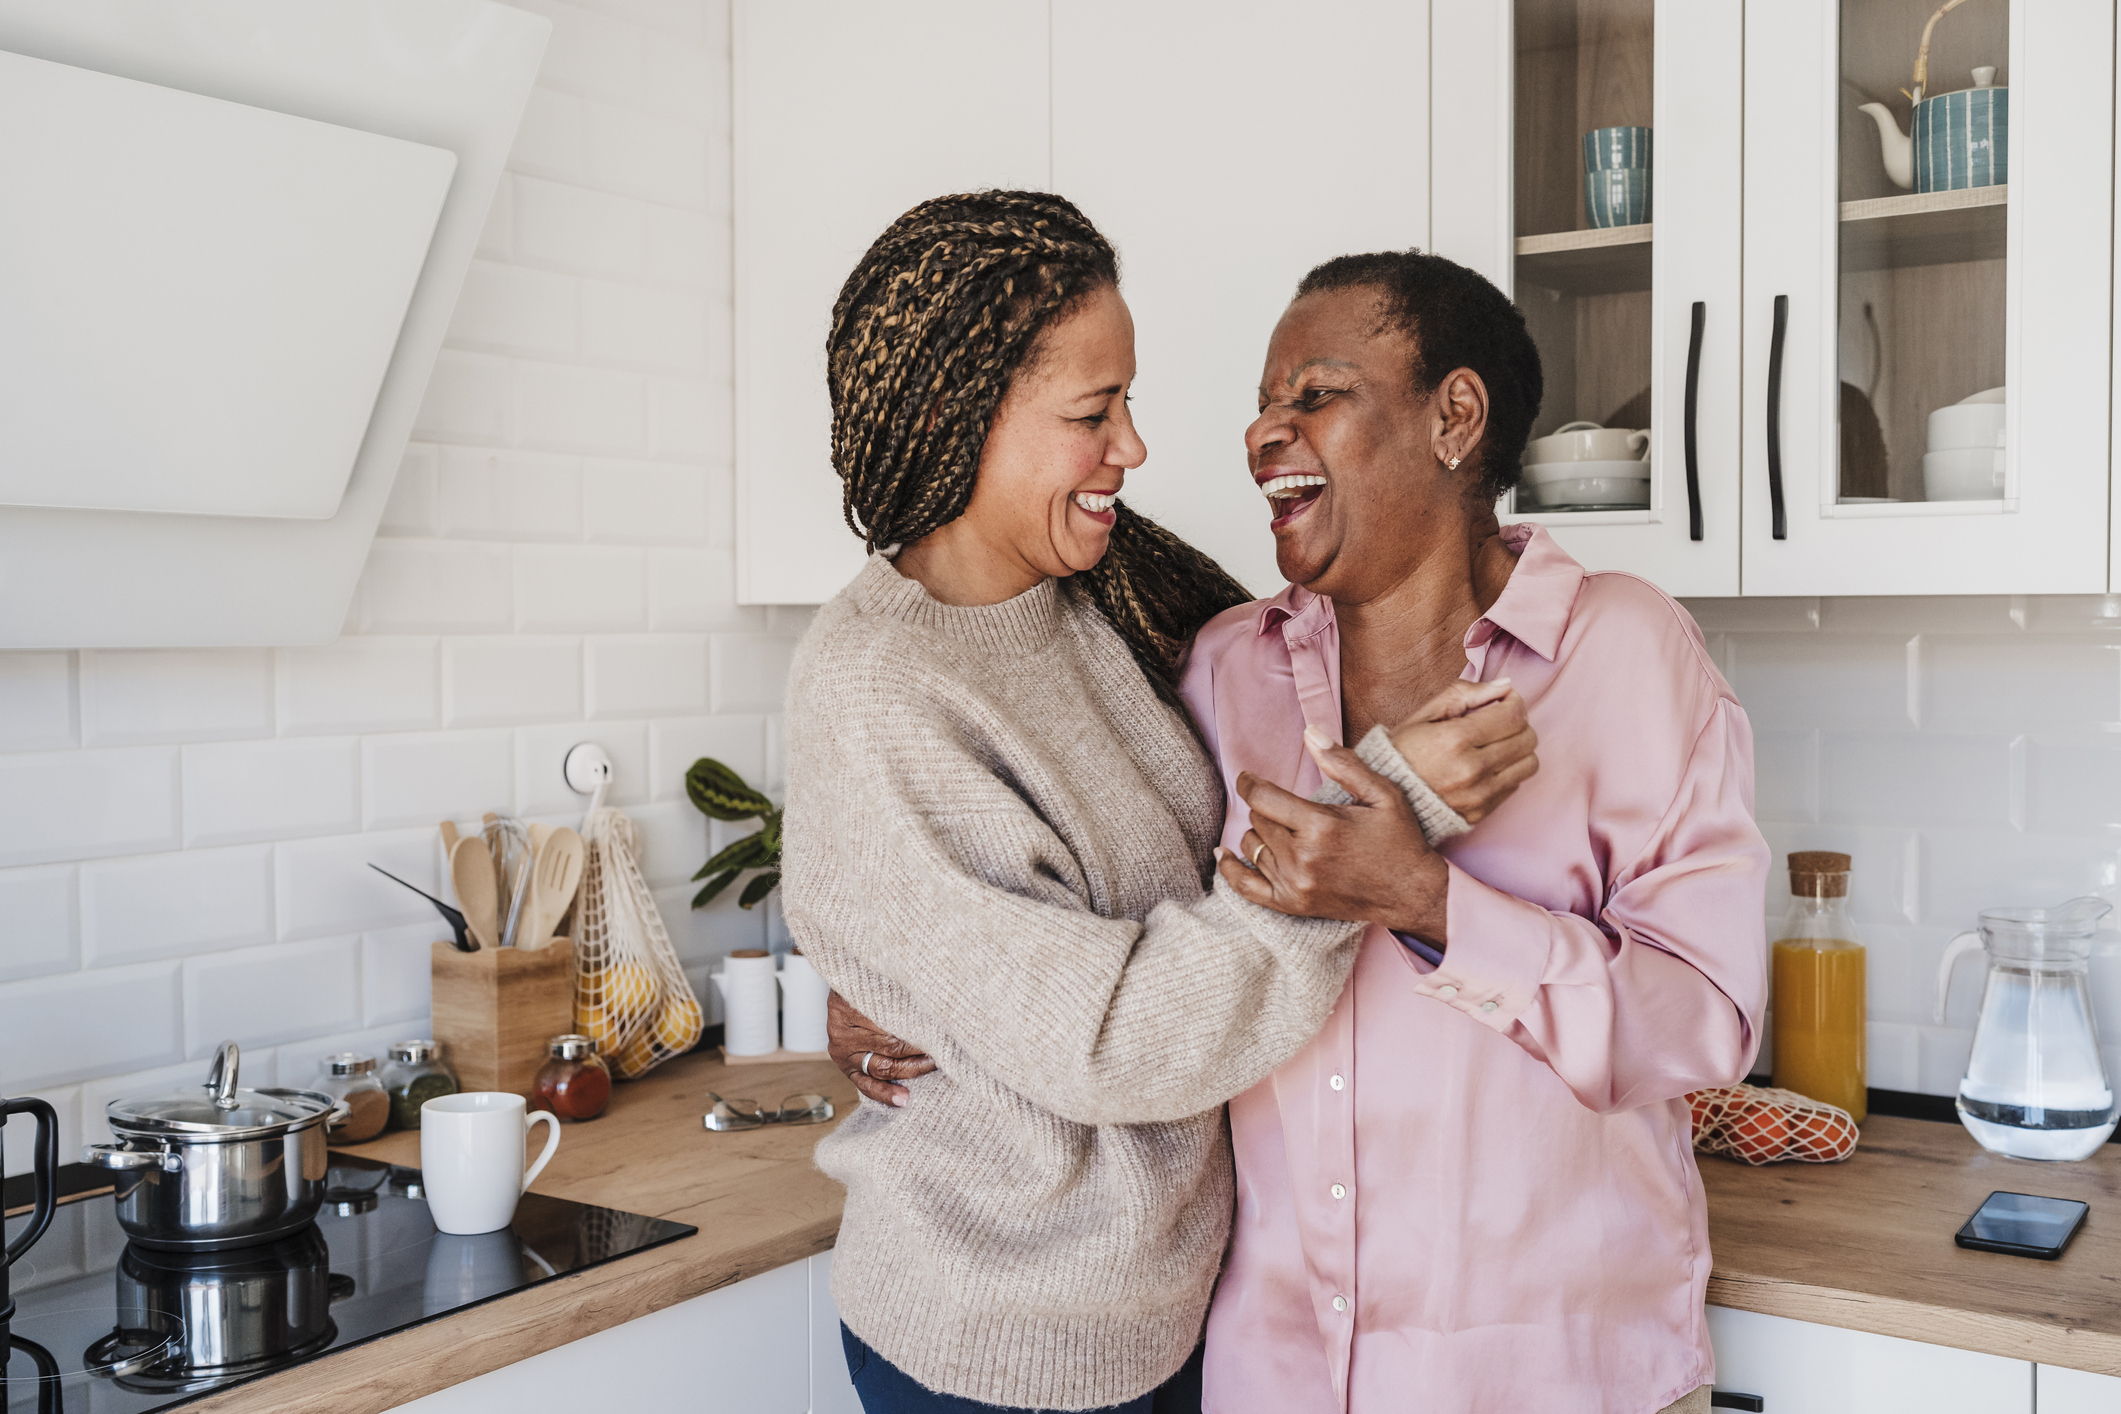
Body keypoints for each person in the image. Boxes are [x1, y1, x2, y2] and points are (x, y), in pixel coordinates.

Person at [838, 249, 1769, 1414]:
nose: (1263, 433)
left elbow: (1706, 1027)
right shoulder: (1223, 669)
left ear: (1455, 417)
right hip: (1268, 1379)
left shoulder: (1627, 655)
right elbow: (1110, 952)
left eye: (1314, 395)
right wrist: (917, 980)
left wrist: (1433, 904)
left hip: (1557, 1384)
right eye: (1263, 405)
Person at [781, 193, 1537, 1414]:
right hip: (1005, 1345)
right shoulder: (879, 689)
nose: (1132, 446)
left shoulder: (1106, 593)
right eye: (1093, 413)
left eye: (1125, 401)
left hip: (1174, 1312)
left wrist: (916, 978)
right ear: (952, 418)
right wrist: (1381, 825)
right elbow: (1112, 1035)